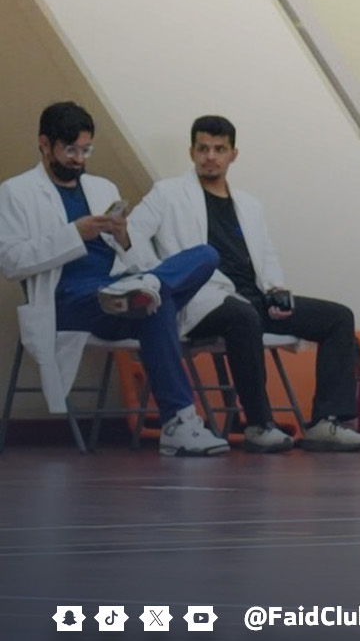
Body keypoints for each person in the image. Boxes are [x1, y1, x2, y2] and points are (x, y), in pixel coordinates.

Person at [130, 116, 360, 453]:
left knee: (338, 317)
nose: (210, 157)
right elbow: (131, 234)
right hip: (204, 299)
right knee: (243, 317)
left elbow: (266, 254)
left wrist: (276, 289)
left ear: (233, 154)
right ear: (191, 152)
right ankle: (259, 424)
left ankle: (326, 422)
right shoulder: (167, 194)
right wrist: (161, 278)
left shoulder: (249, 205)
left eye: (219, 149)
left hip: (255, 298)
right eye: (203, 149)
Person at [0, 102, 227, 456]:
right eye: (70, 150)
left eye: (86, 150)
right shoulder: (16, 192)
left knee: (205, 256)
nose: (79, 159)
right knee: (155, 304)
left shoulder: (102, 187)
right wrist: (75, 233)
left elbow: (136, 260)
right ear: (44, 144)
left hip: (119, 289)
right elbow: (11, 262)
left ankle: (145, 288)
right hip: (67, 299)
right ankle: (180, 423)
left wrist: (123, 238)